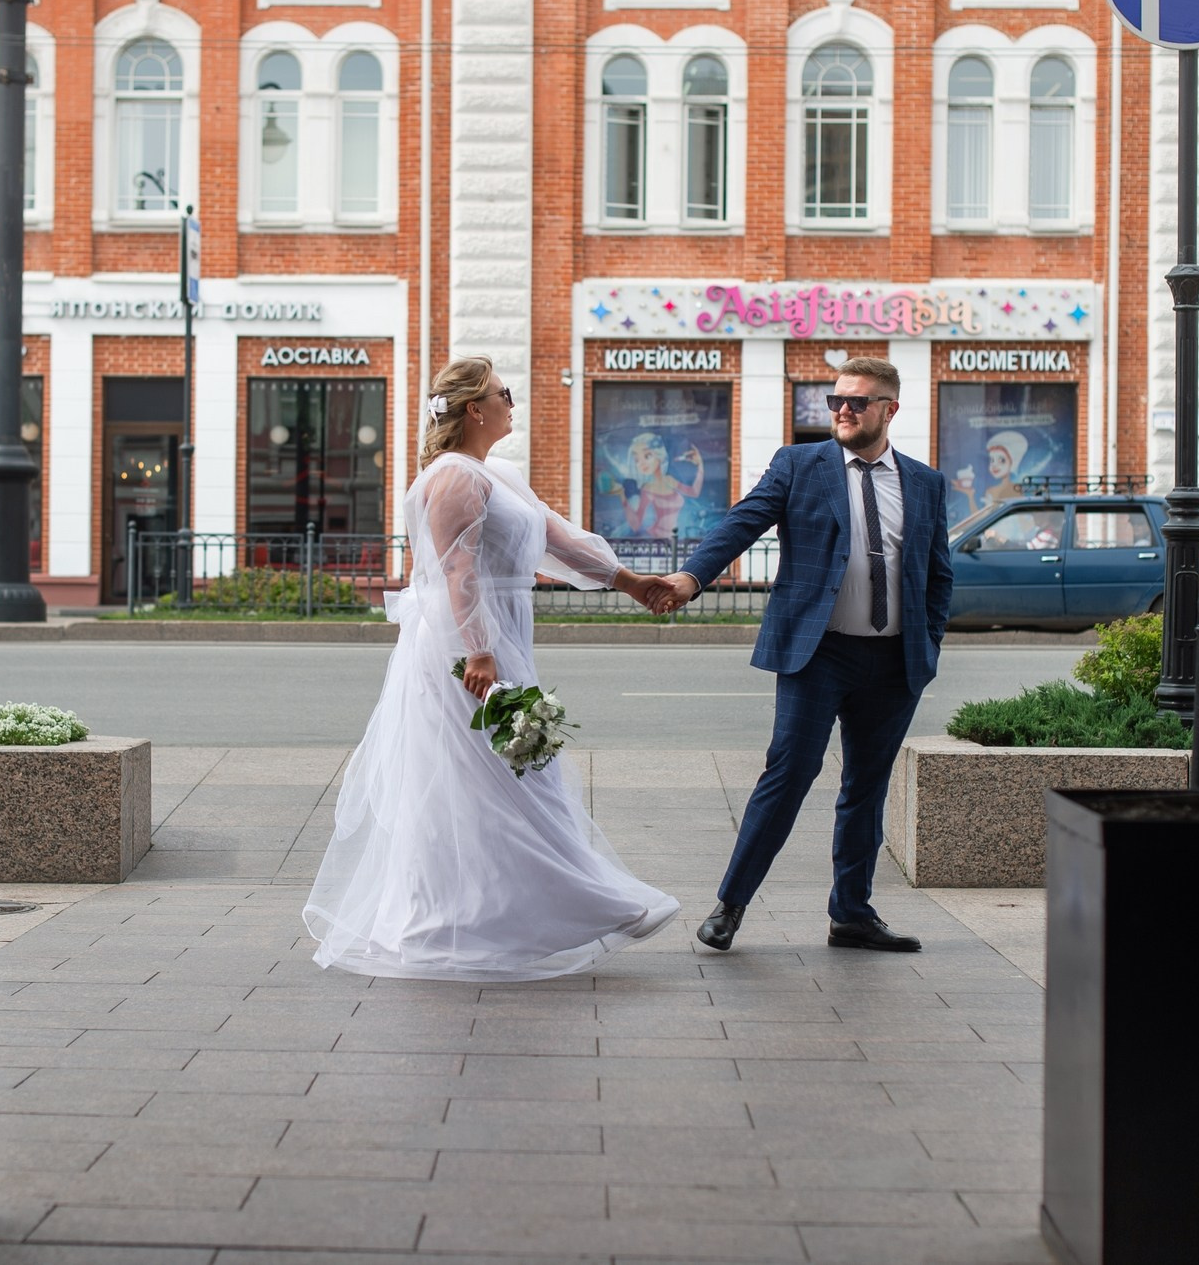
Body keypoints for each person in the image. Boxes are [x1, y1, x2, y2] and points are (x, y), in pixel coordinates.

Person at [304, 356, 682, 980]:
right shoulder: (453, 476)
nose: (514, 402)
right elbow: (459, 569)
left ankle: (518, 910)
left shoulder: (497, 473)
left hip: (498, 635)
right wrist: (478, 651)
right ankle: (489, 914)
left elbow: (559, 541)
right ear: (475, 409)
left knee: (514, 773)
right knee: (493, 777)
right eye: (505, 394)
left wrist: (630, 582)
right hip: (463, 647)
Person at [650, 356, 952, 954]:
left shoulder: (925, 483)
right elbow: (743, 522)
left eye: (858, 401)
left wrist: (929, 644)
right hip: (818, 654)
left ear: (890, 409)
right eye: (836, 399)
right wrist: (691, 578)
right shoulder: (799, 465)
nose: (842, 409)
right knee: (788, 774)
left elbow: (937, 573)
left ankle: (852, 915)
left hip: (894, 663)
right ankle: (730, 906)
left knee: (866, 788)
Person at [606, 431, 705, 538]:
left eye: (647, 456)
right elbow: (636, 525)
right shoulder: (647, 489)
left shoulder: (669, 480)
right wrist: (622, 495)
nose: (641, 463)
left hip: (676, 540)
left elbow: (694, 492)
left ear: (659, 456)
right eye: (636, 460)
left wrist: (700, 465)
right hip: (658, 542)